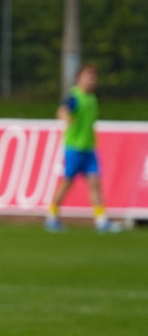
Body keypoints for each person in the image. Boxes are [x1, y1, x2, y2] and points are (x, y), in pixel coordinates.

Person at [45, 63, 121, 233]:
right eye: (89, 76)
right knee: (67, 182)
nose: (92, 80)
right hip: (74, 148)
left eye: (94, 77)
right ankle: (52, 214)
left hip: (89, 148)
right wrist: (65, 117)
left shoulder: (92, 99)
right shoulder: (75, 96)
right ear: (79, 78)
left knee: (95, 183)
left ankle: (101, 220)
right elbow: (62, 110)